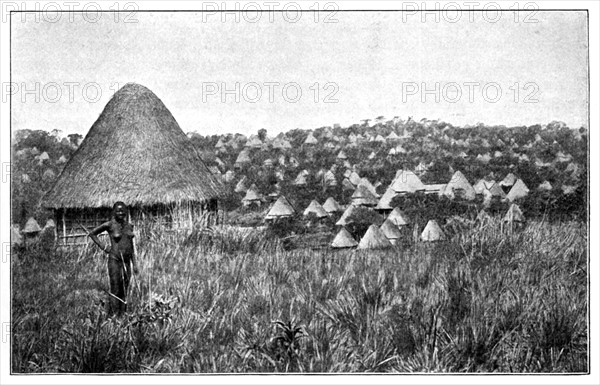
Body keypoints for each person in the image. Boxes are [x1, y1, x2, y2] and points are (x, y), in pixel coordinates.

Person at [89, 201, 138, 316]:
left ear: (126, 212)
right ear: (114, 212)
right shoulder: (109, 225)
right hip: (115, 261)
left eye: (123, 210)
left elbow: (131, 247)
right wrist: (104, 247)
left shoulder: (129, 226)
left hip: (126, 262)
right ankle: (115, 316)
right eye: (118, 210)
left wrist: (134, 264)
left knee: (125, 289)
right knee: (116, 289)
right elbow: (92, 234)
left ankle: (123, 314)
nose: (121, 213)